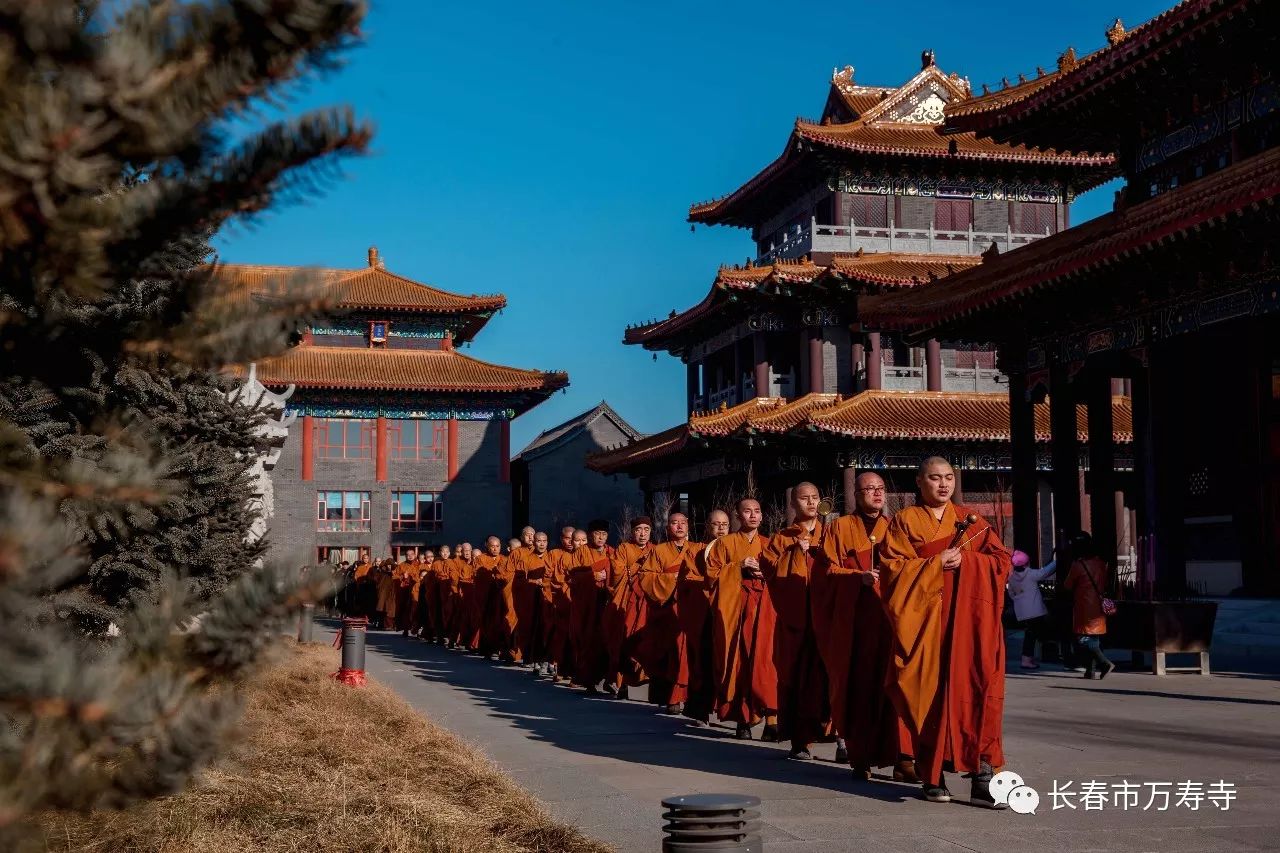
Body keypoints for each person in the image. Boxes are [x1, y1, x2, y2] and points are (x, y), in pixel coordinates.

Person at [879, 457, 1012, 807]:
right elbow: (893, 570)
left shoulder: (972, 521)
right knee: (930, 697)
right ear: (919, 483)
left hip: (970, 625)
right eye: (934, 478)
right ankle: (932, 773)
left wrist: (968, 562)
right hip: (928, 625)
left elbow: (1001, 563)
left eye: (949, 478)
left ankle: (983, 775)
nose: (943, 484)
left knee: (981, 691)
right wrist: (934, 564)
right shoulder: (904, 521)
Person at [812, 471, 916, 782]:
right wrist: (856, 577)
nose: (876, 494)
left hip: (893, 622)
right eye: (868, 489)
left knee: (899, 687)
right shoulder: (839, 528)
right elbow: (823, 573)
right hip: (855, 625)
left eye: (880, 489)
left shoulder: (897, 527)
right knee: (857, 688)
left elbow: (913, 566)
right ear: (856, 495)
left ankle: (904, 758)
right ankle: (860, 755)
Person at [761, 482, 828, 760]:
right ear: (793, 503)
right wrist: (793, 553)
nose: (811, 503)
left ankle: (840, 737)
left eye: (815, 497)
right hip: (795, 620)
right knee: (797, 677)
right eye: (804, 498)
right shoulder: (781, 539)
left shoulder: (832, 533)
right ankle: (801, 740)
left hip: (828, 616)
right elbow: (770, 572)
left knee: (833, 674)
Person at [707, 497, 778, 740]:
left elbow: (783, 574)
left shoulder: (770, 544)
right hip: (736, 609)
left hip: (766, 609)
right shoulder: (724, 543)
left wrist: (765, 572)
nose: (753, 516)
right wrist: (737, 566)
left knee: (767, 662)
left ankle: (772, 720)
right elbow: (711, 577)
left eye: (757, 511)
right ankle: (742, 719)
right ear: (738, 516)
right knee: (739, 662)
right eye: (747, 512)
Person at [633, 512, 701, 714]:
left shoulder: (698, 549)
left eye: (683, 523)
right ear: (667, 528)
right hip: (667, 610)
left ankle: (688, 698)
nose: (679, 526)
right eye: (674, 523)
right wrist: (671, 579)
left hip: (691, 611)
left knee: (690, 655)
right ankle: (672, 697)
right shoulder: (660, 550)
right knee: (670, 654)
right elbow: (645, 576)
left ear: (688, 526)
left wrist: (689, 581)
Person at [678, 509, 729, 725]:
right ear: (707, 526)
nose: (720, 528)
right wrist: (713, 584)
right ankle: (700, 709)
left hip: (730, 612)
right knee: (704, 661)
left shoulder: (734, 547)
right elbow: (689, 578)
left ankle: (734, 713)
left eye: (725, 524)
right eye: (716, 524)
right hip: (705, 613)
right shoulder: (695, 551)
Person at [603, 516, 654, 698]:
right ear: (632, 532)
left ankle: (644, 679)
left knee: (644, 641)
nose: (642, 534)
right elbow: (616, 572)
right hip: (627, 600)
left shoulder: (655, 550)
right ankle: (620, 683)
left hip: (647, 602)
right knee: (622, 641)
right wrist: (636, 567)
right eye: (639, 529)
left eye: (646, 530)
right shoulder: (624, 548)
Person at [1062, 532, 1116, 680]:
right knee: (1094, 638)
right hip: (1098, 606)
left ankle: (1104, 663)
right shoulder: (1100, 563)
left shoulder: (1078, 565)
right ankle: (1090, 671)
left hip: (1084, 607)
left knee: (1083, 639)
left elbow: (1067, 585)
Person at [568, 521, 613, 693]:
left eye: (604, 533)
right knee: (589, 640)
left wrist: (608, 578)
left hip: (607, 601)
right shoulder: (581, 552)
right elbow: (572, 577)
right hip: (587, 605)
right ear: (590, 535)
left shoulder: (612, 552)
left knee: (608, 640)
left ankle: (609, 679)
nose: (600, 537)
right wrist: (593, 575)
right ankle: (589, 680)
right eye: (597, 533)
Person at [1006, 549, 1057, 670]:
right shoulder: (1030, 574)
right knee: (1034, 634)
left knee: (1031, 633)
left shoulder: (1012, 578)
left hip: (1022, 612)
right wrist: (1056, 561)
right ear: (1026, 563)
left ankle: (1029, 658)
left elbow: (1011, 594)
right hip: (1035, 611)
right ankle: (1027, 659)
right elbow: (1045, 572)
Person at [510, 532, 551, 669]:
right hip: (530, 599)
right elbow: (519, 580)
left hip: (547, 598)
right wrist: (534, 582)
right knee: (530, 627)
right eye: (539, 541)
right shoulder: (526, 559)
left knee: (547, 627)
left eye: (544, 541)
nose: (542, 543)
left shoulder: (551, 558)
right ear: (534, 542)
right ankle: (530, 657)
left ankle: (546, 658)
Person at [473, 536, 510, 659]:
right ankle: (487, 649)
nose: (495, 549)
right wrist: (492, 575)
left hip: (501, 596)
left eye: (497, 546)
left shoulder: (504, 559)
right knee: (488, 623)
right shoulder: (480, 559)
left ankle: (501, 650)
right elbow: (479, 575)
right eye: (492, 546)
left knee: (502, 622)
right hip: (487, 596)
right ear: (486, 546)